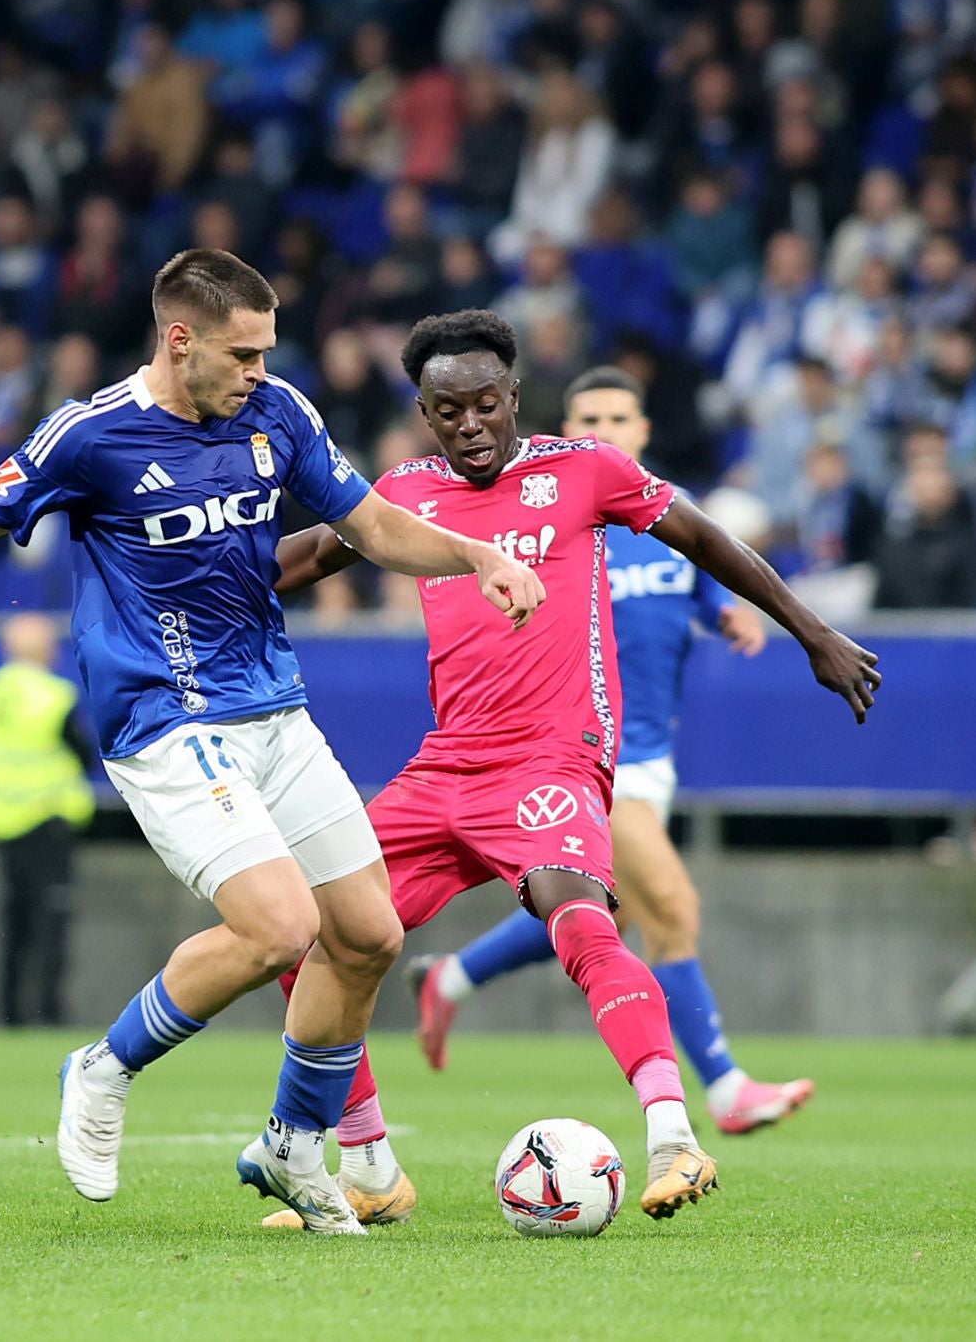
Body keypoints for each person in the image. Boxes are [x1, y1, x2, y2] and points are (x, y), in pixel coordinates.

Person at [0, 250, 540, 1233]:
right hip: (165, 725)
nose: (259, 369)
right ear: (180, 338)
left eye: (266, 351)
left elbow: (372, 525)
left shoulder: (278, 413)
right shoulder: (90, 436)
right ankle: (102, 1068)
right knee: (279, 927)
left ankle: (293, 1147)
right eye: (242, 353)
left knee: (372, 936)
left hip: (276, 713)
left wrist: (473, 554)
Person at [267, 315, 879, 1225]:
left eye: (485, 404)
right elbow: (309, 557)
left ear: (514, 397)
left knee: (579, 919)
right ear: (425, 415)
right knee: (314, 940)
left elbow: (708, 540)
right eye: (448, 411)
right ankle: (369, 1169)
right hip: (444, 766)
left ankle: (673, 1135)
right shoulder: (401, 495)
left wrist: (813, 632)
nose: (470, 424)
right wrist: (188, 588)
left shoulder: (583, 469)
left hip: (552, 757)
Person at [402, 367, 818, 1138]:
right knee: (669, 906)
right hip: (584, 753)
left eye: (617, 416)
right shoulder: (568, 518)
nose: (603, 428)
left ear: (643, 430)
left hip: (656, 754)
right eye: (587, 415)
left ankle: (452, 977)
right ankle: (722, 1087)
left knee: (597, 915)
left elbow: (700, 579)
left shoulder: (656, 529)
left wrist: (731, 617)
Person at [0, 613, 96, 1027]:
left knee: (12, 922)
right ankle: (47, 1010)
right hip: (46, 817)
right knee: (51, 921)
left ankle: (7, 1013)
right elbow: (83, 752)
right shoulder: (53, 694)